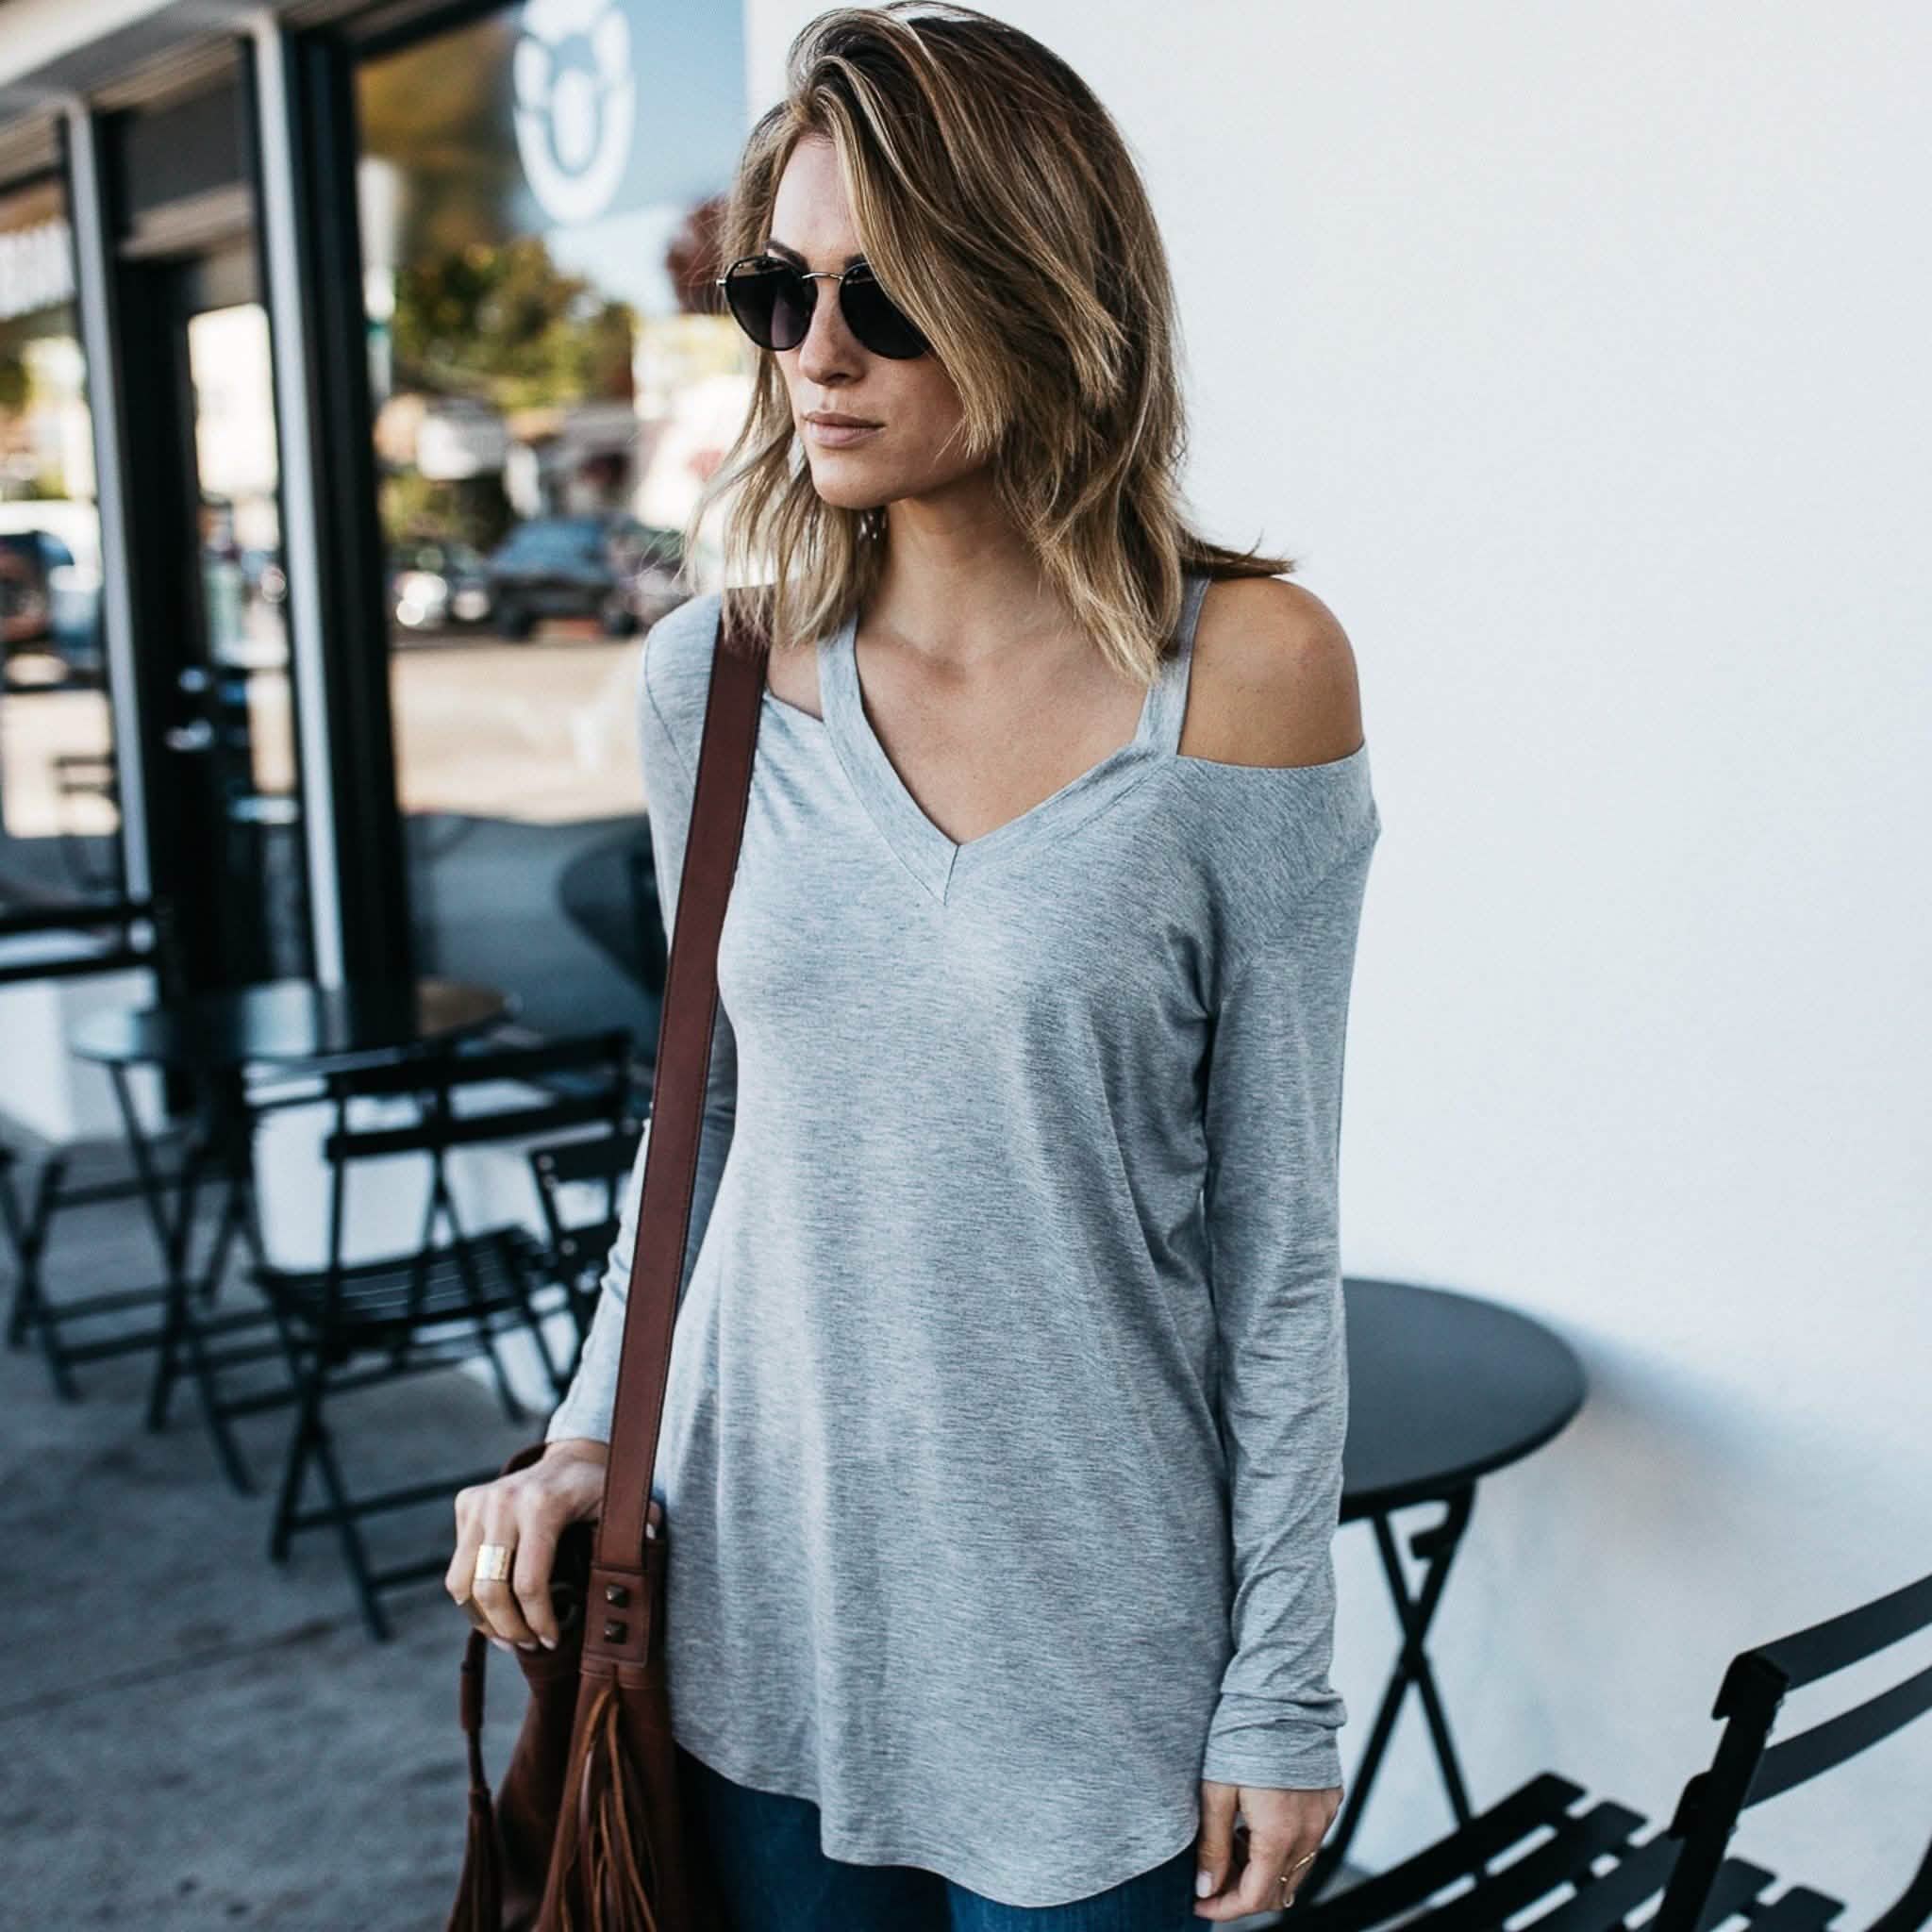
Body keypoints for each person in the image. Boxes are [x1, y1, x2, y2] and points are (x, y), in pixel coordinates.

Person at [445, 5, 1382, 1925]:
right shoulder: (706, 682)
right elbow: (699, 1124)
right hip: (753, 1635)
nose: (817, 354)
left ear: (1045, 295)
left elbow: (1279, 1246)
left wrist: (1278, 1679)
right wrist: (586, 1433)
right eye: (776, 293)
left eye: (888, 296)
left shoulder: (1254, 679)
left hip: (1098, 1660)